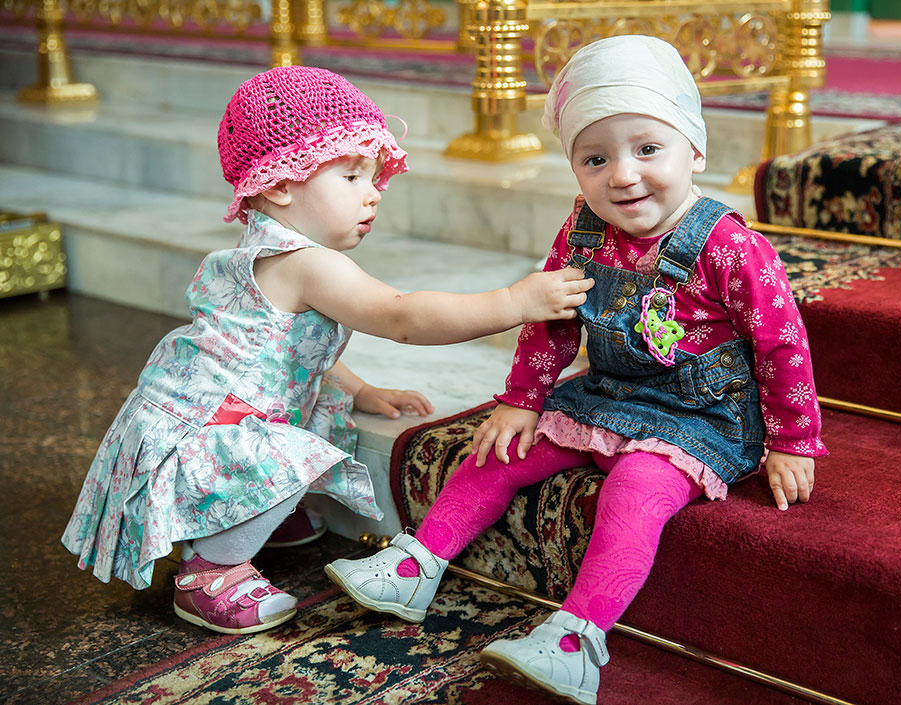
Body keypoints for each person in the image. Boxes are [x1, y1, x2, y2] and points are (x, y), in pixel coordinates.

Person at [325, 35, 827, 705]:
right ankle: (417, 563)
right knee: (503, 447)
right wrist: (523, 399)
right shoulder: (583, 232)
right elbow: (553, 320)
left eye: (648, 149)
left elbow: (782, 345)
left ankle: (576, 640)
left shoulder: (731, 246)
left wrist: (793, 440)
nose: (621, 175)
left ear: (695, 151)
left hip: (702, 418)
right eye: (596, 158)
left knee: (634, 487)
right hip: (609, 392)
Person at [61, 66, 593, 636]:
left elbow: (287, 350)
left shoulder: (265, 248)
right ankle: (210, 570)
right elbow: (401, 317)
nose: (373, 194)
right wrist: (514, 302)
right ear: (280, 184)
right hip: (212, 431)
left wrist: (360, 389)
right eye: (351, 176)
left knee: (318, 410)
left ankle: (242, 517)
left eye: (375, 177)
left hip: (194, 416)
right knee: (295, 449)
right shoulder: (308, 264)